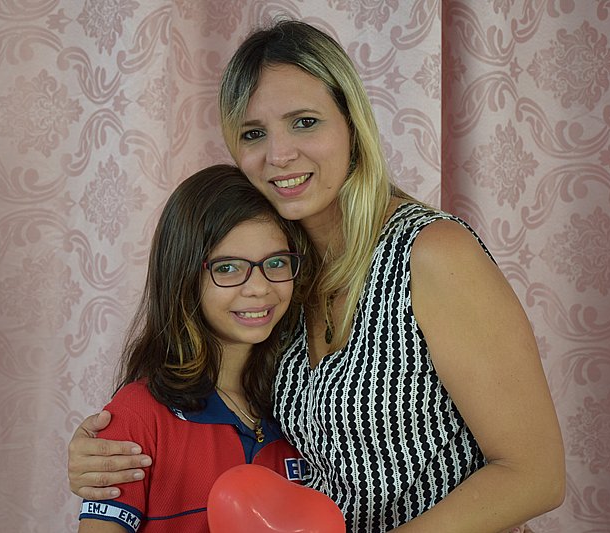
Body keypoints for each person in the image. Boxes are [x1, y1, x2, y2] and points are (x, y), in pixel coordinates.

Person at [69, 20, 566, 532]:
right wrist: (106, 448)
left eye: (304, 122)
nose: (279, 154)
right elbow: (216, 398)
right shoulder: (279, 274)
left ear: (352, 123)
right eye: (254, 133)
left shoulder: (431, 252)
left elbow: (535, 475)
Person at [77, 164, 312, 532]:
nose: (259, 288)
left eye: (277, 263)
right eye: (228, 268)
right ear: (183, 276)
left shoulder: (309, 406)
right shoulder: (138, 416)